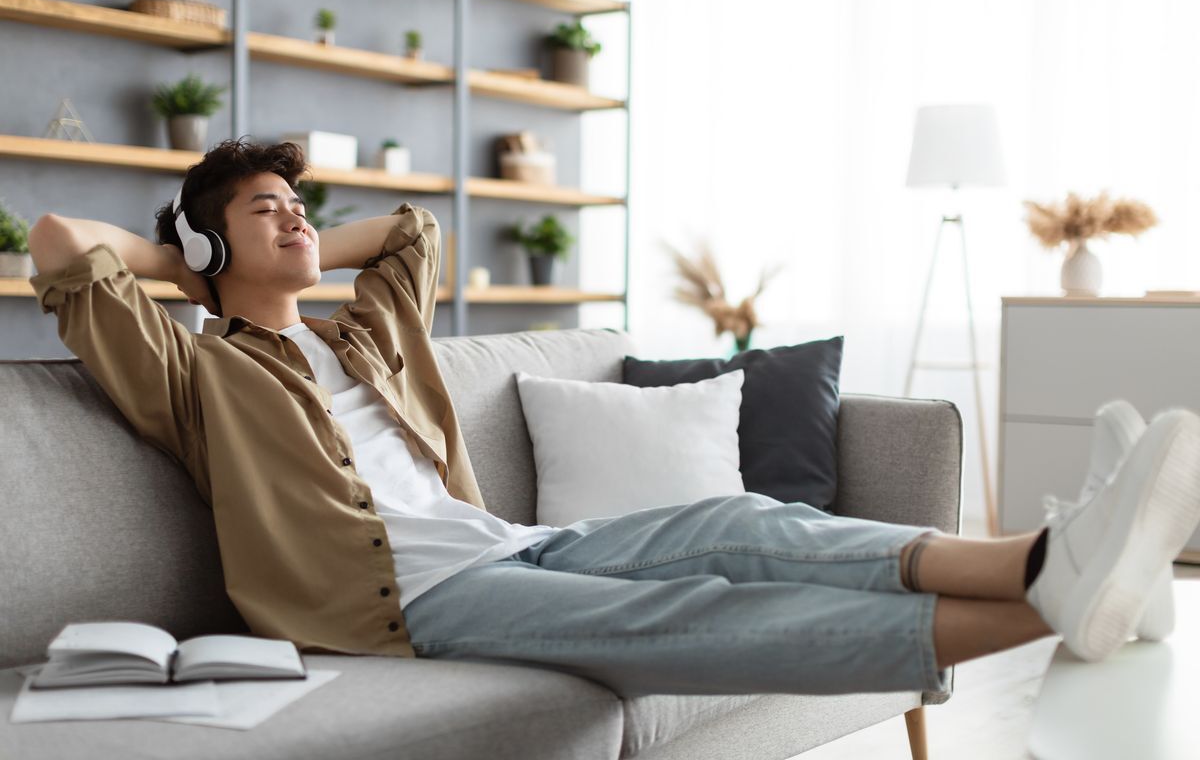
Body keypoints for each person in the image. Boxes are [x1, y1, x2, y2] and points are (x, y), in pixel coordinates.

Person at [27, 139, 1200, 700]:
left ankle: (1051, 557)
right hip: (409, 605)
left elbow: (412, 232)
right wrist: (189, 257)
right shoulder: (197, 370)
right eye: (267, 210)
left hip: (509, 547)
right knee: (692, 615)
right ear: (208, 243)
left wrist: (284, 235)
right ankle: (1063, 597)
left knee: (748, 522)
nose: (297, 221)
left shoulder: (363, 336)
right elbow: (58, 244)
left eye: (299, 204)